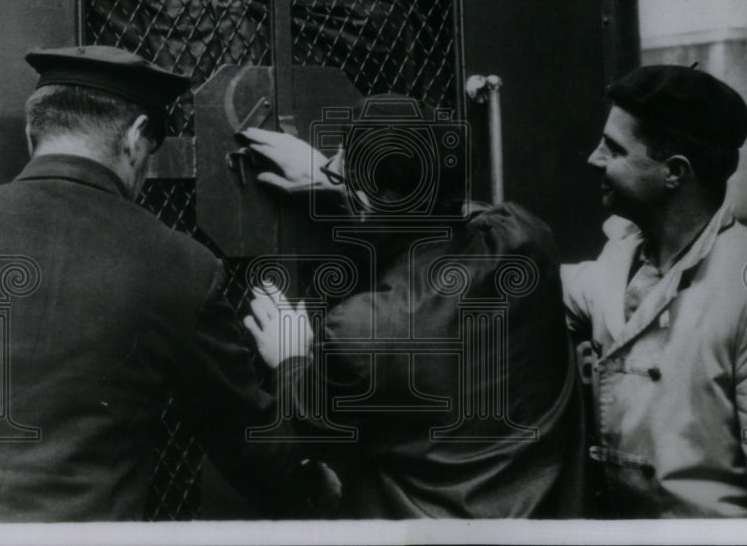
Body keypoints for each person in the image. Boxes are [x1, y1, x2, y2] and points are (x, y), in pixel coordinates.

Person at [0, 45, 338, 522]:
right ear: (137, 137)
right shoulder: (180, 264)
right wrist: (295, 374)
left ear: (30, 131)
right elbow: (253, 449)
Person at [239, 94, 585, 518]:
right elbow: (463, 214)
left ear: (365, 203)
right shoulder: (528, 240)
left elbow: (314, 423)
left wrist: (290, 358)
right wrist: (344, 185)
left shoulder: (365, 329)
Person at [561, 64, 747, 518]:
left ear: (674, 173)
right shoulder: (621, 256)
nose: (594, 158)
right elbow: (553, 284)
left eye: (613, 149)